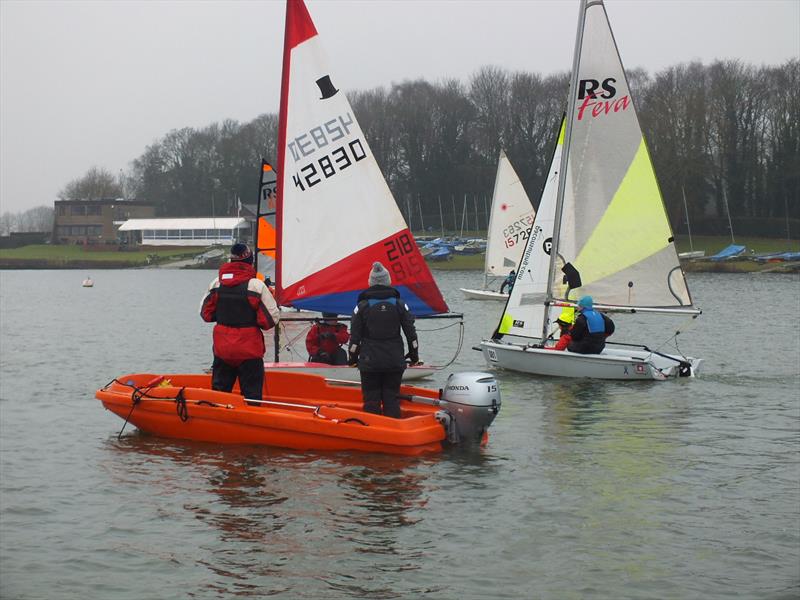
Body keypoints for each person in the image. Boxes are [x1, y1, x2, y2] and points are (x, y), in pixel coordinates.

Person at [200, 242, 280, 400]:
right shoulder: (256, 286)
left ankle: (215, 420)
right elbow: (270, 320)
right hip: (248, 349)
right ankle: (250, 419)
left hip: (222, 348)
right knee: (251, 396)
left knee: (219, 394)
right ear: (250, 261)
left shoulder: (216, 283)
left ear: (230, 260)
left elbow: (205, 314)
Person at [348, 262, 419, 418]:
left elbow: (354, 339)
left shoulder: (361, 306)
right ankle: (395, 432)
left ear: (370, 282)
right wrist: (414, 356)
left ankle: (373, 434)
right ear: (388, 281)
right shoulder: (401, 305)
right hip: (394, 361)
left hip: (369, 362)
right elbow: (411, 335)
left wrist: (352, 359)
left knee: (371, 400)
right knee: (392, 398)